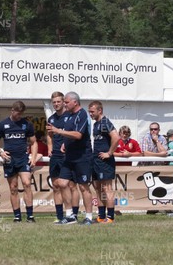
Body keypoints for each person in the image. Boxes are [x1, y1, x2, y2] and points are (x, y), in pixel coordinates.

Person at [47, 91, 94, 225]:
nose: (64, 105)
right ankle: (70, 216)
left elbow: (78, 135)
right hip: (69, 156)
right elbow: (69, 134)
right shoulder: (70, 116)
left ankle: (89, 217)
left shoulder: (82, 114)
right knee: (61, 183)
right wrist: (64, 143)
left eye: (66, 102)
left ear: (75, 102)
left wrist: (58, 131)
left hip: (82, 156)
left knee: (83, 187)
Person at [0, 100, 37, 223]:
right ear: (12, 111)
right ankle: (17, 216)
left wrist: (33, 158)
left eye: (21, 114)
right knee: (13, 187)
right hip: (9, 160)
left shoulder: (26, 124)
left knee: (27, 183)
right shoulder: (3, 124)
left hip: (23, 158)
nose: (19, 116)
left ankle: (30, 216)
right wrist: (0, 152)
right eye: (17, 114)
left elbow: (33, 142)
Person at [46, 91, 80, 223]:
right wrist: (50, 148)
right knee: (56, 186)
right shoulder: (51, 119)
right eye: (54, 102)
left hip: (68, 155)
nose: (56, 104)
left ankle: (74, 215)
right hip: (55, 155)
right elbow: (49, 135)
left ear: (63, 102)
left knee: (71, 186)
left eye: (59, 101)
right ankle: (60, 216)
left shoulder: (70, 116)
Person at [89, 101, 119, 224]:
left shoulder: (105, 122)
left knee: (107, 188)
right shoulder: (96, 124)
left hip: (105, 161)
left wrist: (109, 153)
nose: (90, 114)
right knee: (97, 188)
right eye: (89, 111)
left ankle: (110, 217)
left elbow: (116, 137)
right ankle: (101, 216)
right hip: (95, 160)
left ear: (100, 111)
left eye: (92, 111)